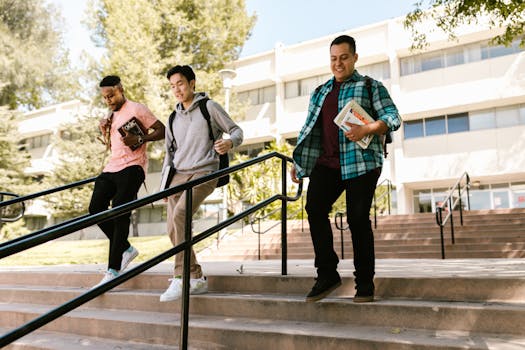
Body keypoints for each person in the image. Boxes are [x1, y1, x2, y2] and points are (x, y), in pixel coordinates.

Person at [290, 35, 401, 303]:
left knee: (357, 219)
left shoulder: (370, 86)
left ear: (354, 58)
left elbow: (393, 117)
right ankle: (327, 274)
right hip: (326, 163)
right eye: (333, 58)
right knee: (314, 209)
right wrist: (299, 162)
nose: (338, 63)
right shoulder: (320, 91)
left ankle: (364, 283)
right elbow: (310, 130)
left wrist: (369, 128)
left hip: (361, 162)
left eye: (343, 57)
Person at [159, 65, 243, 302]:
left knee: (181, 215)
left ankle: (180, 278)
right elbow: (169, 154)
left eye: (181, 84)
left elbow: (236, 130)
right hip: (177, 175)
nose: (177, 89)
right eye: (172, 86)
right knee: (172, 229)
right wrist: (164, 185)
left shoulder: (209, 107)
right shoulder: (173, 117)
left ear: (192, 83)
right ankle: (195, 276)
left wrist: (229, 143)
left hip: (204, 172)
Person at [90, 75, 165, 288]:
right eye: (105, 98)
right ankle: (125, 248)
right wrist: (105, 129)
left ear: (121, 89)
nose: (109, 100)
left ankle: (113, 269)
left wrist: (141, 139)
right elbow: (114, 145)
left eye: (112, 95)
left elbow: (161, 130)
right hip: (112, 167)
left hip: (133, 167)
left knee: (120, 210)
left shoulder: (137, 108)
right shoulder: (111, 115)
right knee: (95, 208)